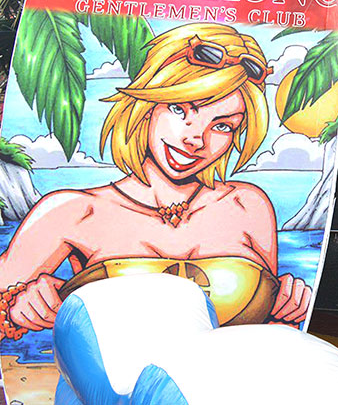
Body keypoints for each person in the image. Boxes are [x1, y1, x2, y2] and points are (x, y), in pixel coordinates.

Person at [0, 23, 312, 339]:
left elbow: (259, 335)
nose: (196, 139)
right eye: (180, 109)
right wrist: (17, 308)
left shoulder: (248, 206)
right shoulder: (73, 211)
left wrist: (285, 308)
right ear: (147, 107)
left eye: (223, 126)